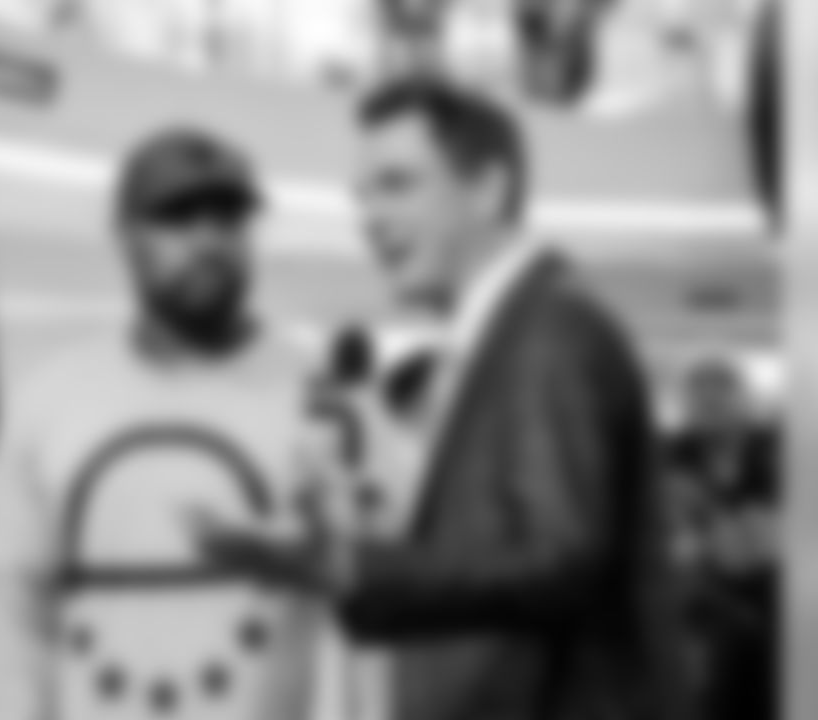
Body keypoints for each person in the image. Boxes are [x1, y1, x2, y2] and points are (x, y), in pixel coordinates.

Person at [189, 76, 685, 720]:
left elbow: (557, 559)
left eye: (397, 184)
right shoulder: (507, 334)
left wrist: (344, 565)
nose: (370, 218)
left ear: (488, 189)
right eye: (362, 196)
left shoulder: (550, 331)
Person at [0, 127, 326, 720]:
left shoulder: (320, 401)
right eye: (178, 218)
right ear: (125, 236)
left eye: (228, 218)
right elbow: (11, 617)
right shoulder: (51, 401)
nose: (208, 240)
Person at [667, 358, 780, 720]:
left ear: (743, 402)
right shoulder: (671, 452)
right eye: (697, 404)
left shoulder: (779, 448)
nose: (707, 413)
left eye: (717, 401)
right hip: (706, 599)